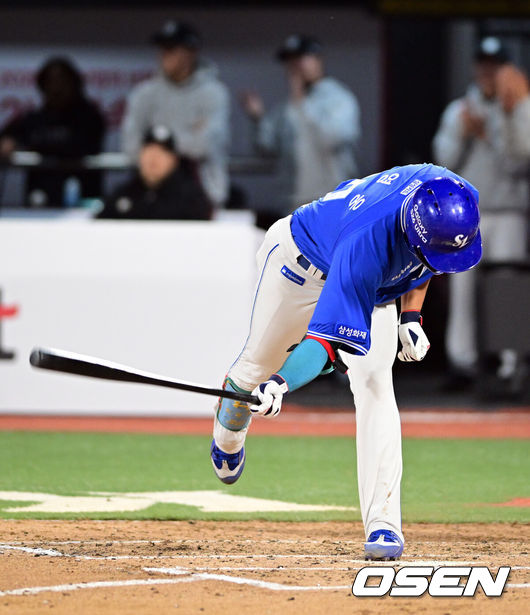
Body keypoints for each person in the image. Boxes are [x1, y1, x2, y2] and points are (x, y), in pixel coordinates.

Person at [209, 163, 482, 560]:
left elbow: (430, 259)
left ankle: (384, 523)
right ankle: (228, 435)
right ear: (413, 228)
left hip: (372, 282)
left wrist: (410, 316)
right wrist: (280, 383)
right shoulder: (366, 243)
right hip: (297, 266)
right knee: (255, 373)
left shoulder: (453, 198)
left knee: (374, 383)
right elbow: (326, 344)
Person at [432, 37, 530, 387]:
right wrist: (464, 132)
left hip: (508, 210)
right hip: (466, 214)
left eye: (496, 66)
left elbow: (521, 163)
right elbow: (442, 163)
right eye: (483, 65)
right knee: (463, 292)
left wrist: (494, 129)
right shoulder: (460, 110)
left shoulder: (521, 107)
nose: (489, 73)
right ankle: (463, 363)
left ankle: (510, 363)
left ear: (507, 69)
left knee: (507, 289)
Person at [241, 34, 361, 222]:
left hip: (331, 200)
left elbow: (331, 138)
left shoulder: (338, 98)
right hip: (292, 202)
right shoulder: (287, 107)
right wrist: (258, 118)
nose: (295, 67)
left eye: (300, 60)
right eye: (290, 62)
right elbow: (267, 149)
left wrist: (302, 103)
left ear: (318, 60)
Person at [121, 19, 230, 208]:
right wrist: (189, 136)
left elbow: (204, 145)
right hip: (151, 194)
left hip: (203, 194)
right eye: (162, 48)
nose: (165, 54)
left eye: (172, 48)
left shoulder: (214, 93)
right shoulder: (144, 93)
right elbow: (130, 147)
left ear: (191, 52)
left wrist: (155, 145)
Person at [0, 57, 105, 208]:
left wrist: (38, 144)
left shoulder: (90, 118)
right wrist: (9, 140)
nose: (56, 88)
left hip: (82, 200)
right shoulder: (35, 118)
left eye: (62, 82)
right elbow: (9, 134)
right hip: (40, 199)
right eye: (50, 82)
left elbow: (74, 147)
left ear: (74, 84)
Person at [98, 125, 211, 220]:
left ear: (174, 160)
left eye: (162, 152)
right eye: (149, 150)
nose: (154, 158)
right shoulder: (124, 194)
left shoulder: (191, 199)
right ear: (140, 155)